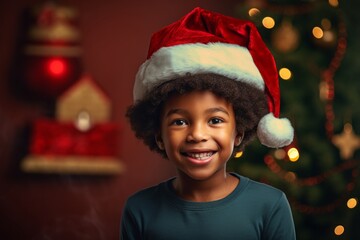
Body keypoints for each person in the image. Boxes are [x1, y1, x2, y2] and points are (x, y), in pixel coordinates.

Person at [121, 7, 296, 240]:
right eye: (180, 121)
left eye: (215, 120)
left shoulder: (270, 206)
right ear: (159, 136)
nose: (197, 134)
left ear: (239, 132)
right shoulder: (139, 210)